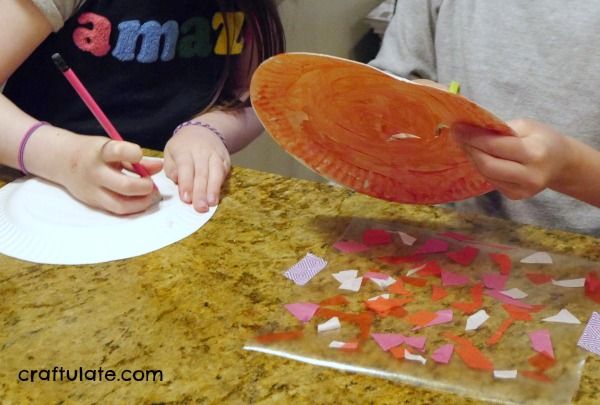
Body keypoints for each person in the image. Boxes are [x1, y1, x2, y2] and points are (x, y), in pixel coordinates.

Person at [0, 0, 284, 214]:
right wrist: (64, 158)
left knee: (305, 274)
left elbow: (255, 97)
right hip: (37, 198)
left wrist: (208, 130)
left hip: (168, 211)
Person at [370, 1, 600, 235]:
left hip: (583, 248)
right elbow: (385, 86)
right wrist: (404, 101)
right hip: (454, 232)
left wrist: (572, 166)